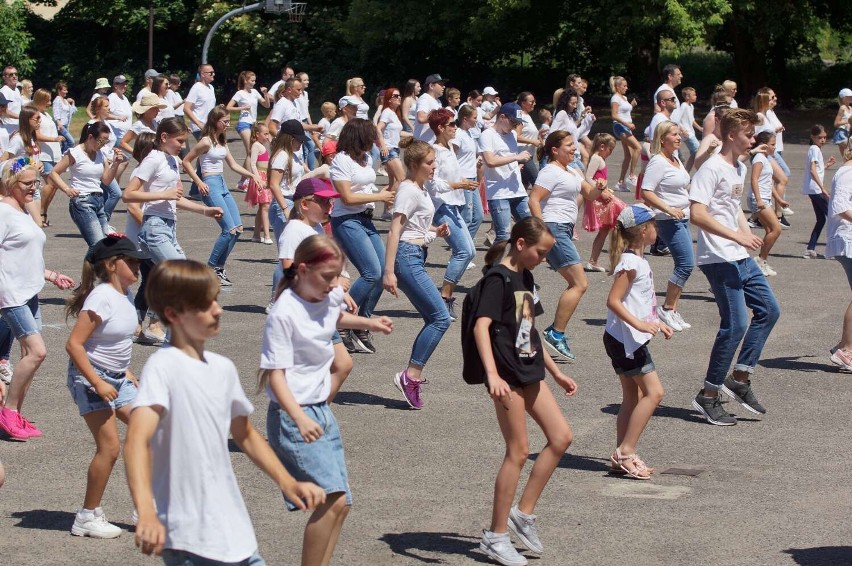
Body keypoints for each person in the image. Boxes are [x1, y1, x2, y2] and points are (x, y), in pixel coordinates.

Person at [125, 259, 326, 563]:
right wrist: (147, 512)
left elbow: (245, 434)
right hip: (188, 538)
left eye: (216, 300)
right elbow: (137, 442)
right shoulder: (163, 367)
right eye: (205, 305)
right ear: (172, 314)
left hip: (235, 532)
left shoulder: (223, 369)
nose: (217, 310)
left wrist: (288, 481)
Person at [261, 236, 391, 565]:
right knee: (330, 500)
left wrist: (369, 323)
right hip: (293, 416)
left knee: (342, 502)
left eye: (337, 277)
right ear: (302, 270)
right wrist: (300, 418)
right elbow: (275, 376)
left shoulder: (328, 295)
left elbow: (333, 320)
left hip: (319, 410)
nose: (335, 285)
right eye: (327, 277)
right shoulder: (283, 313)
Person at [473, 217, 576, 566]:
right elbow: (481, 327)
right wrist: (492, 376)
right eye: (541, 252)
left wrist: (557, 372)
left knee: (561, 437)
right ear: (521, 244)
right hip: (506, 376)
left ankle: (523, 513)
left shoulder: (525, 277)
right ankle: (495, 536)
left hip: (530, 371)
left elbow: (529, 331)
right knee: (518, 451)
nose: (544, 258)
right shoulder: (498, 280)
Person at [689, 108, 781, 426]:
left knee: (769, 310)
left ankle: (739, 378)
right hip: (718, 258)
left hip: (739, 255)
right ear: (731, 135)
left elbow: (732, 207)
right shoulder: (711, 168)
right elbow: (697, 214)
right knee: (736, 325)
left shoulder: (738, 167)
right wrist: (735, 235)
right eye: (748, 134)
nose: (753, 139)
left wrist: (745, 234)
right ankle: (708, 395)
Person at [65, 235, 146, 539]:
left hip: (116, 377)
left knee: (149, 430)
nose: (138, 266)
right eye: (132, 260)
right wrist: (98, 382)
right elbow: (74, 345)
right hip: (89, 378)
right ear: (112, 265)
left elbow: (111, 340)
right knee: (110, 448)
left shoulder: (123, 292)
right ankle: (87, 516)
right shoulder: (101, 297)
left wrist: (124, 369)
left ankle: (143, 509)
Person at [0, 157, 76, 441]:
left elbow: (24, 256)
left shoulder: (21, 211)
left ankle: (14, 412)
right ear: (10, 183)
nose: (35, 187)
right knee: (37, 352)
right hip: (11, 295)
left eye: (36, 182)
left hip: (30, 292)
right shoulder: (3, 213)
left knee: (26, 355)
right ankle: (7, 412)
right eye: (28, 183)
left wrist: (51, 275)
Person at [383, 138, 452, 408]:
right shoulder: (408, 190)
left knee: (435, 317)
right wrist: (388, 271)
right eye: (429, 162)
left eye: (434, 161)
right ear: (414, 164)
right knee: (441, 318)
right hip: (407, 258)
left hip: (417, 254)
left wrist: (434, 230)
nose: (434, 166)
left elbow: (414, 225)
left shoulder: (420, 190)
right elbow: (395, 230)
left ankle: (411, 376)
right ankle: (410, 376)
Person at [604, 204, 671, 479]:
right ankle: (626, 452)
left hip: (625, 338)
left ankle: (622, 453)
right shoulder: (631, 262)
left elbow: (639, 302)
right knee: (655, 393)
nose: (657, 230)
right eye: (654, 225)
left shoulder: (637, 261)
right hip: (625, 340)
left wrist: (656, 322)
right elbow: (613, 301)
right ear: (644, 231)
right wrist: (641, 325)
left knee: (633, 395)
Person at [529, 131, 604, 361]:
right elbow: (534, 199)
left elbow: (589, 194)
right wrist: (543, 232)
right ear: (554, 150)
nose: (574, 149)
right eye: (569, 145)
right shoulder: (550, 171)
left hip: (563, 230)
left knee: (577, 283)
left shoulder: (570, 170)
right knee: (579, 283)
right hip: (554, 228)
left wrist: (599, 188)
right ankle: (555, 332)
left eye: (574, 145)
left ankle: (538, 317)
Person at [278, 179, 354, 399]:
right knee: (336, 366)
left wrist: (341, 291)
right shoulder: (294, 231)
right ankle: (309, 414)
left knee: (341, 365)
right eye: (323, 201)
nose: (329, 206)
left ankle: (313, 412)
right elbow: (289, 271)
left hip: (319, 310)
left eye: (330, 202)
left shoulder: (315, 228)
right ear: (304, 205)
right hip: (305, 313)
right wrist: (332, 283)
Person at [330, 118, 395, 354]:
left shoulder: (367, 158)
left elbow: (367, 189)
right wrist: (380, 198)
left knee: (382, 274)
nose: (373, 142)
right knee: (371, 273)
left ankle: (361, 324)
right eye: (370, 137)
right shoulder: (341, 160)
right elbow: (346, 197)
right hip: (346, 220)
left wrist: (383, 192)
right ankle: (342, 320)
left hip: (366, 218)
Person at [122, 118, 224, 264]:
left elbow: (175, 198)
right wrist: (164, 194)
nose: (183, 146)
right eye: (180, 141)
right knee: (180, 275)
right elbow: (127, 194)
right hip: (154, 227)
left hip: (170, 227)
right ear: (164, 137)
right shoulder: (153, 159)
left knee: (177, 278)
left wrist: (205, 210)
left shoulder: (172, 160)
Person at [182, 106, 262, 286]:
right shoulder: (205, 141)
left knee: (238, 229)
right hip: (210, 185)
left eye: (228, 121)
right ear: (214, 121)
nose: (228, 124)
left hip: (222, 184)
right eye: (224, 121)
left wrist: (252, 175)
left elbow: (233, 165)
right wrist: (199, 181)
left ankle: (219, 267)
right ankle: (210, 269)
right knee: (228, 230)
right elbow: (186, 161)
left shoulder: (222, 141)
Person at [639, 121, 695, 330]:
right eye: (674, 134)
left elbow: (682, 186)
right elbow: (646, 191)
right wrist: (669, 209)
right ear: (662, 139)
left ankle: (671, 309)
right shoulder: (658, 162)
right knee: (686, 264)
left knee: (685, 264)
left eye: (679, 134)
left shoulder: (676, 159)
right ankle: (667, 309)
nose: (679, 137)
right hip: (668, 220)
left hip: (682, 218)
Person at [426, 108, 478, 318]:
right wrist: (458, 185)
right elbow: (432, 183)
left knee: (470, 252)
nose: (455, 128)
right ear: (440, 128)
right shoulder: (433, 151)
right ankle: (444, 298)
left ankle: (444, 297)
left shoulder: (448, 147)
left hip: (453, 205)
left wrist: (463, 183)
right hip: (442, 206)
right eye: (451, 125)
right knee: (464, 251)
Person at [48, 122, 126, 247]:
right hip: (82, 201)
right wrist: (67, 189)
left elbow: (106, 180)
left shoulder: (101, 154)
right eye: (101, 141)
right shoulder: (75, 153)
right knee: (98, 244)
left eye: (106, 142)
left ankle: (94, 266)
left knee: (105, 243)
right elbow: (54, 172)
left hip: (99, 201)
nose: (103, 145)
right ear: (90, 137)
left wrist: (116, 164)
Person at [481, 102, 532, 243]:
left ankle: (517, 262)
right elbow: (490, 161)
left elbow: (508, 158)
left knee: (530, 229)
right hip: (499, 193)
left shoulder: (512, 135)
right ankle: (494, 265)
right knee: (503, 235)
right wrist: (516, 157)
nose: (514, 126)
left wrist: (516, 164)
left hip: (518, 190)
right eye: (513, 122)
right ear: (502, 117)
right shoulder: (487, 135)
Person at [826, 143, 852, 370]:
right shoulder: (848, 173)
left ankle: (843, 346)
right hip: (847, 239)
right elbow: (840, 206)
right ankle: (847, 351)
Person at [583, 133, 625, 272]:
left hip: (603, 195)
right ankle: (615, 258)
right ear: (602, 147)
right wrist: (602, 190)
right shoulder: (596, 158)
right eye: (610, 149)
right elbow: (588, 177)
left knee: (606, 229)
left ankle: (594, 260)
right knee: (623, 217)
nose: (611, 153)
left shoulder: (599, 158)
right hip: (600, 198)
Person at [747, 131, 787, 276]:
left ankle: (762, 262)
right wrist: (758, 200)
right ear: (764, 145)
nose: (774, 148)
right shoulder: (759, 158)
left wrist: (779, 200)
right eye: (772, 145)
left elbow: (769, 182)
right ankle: (760, 260)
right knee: (776, 229)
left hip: (765, 198)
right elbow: (754, 180)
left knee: (771, 230)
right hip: (759, 199)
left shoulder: (765, 158)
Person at [802, 124, 838, 259]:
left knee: (821, 219)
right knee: (833, 217)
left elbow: (816, 169)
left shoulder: (814, 149)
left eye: (824, 137)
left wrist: (826, 165)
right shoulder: (814, 149)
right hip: (816, 189)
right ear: (813, 137)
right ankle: (832, 249)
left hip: (813, 189)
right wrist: (822, 188)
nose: (823, 140)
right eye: (820, 137)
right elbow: (812, 170)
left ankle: (810, 248)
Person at [227, 71, 271, 167]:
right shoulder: (240, 93)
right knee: (251, 151)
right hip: (244, 123)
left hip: (253, 124)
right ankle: (248, 177)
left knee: (254, 151)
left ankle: (245, 175)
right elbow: (228, 107)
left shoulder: (255, 92)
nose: (254, 83)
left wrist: (265, 94)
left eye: (255, 81)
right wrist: (242, 108)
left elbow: (267, 105)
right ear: (245, 81)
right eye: (252, 81)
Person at [455, 104, 484, 243]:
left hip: (472, 177)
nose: (476, 121)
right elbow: (452, 157)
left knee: (478, 216)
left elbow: (468, 155)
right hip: (464, 179)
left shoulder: (470, 134)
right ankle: (461, 251)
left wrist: (475, 162)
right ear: (465, 119)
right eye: (474, 118)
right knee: (466, 217)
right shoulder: (458, 135)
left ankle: (466, 248)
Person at [609, 76, 640, 191]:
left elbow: (624, 112)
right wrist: (627, 125)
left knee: (628, 155)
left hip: (625, 127)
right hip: (620, 127)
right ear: (617, 86)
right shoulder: (615, 98)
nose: (626, 88)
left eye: (626, 85)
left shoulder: (624, 98)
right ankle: (632, 176)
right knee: (638, 148)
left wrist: (631, 105)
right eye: (624, 86)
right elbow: (614, 115)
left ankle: (621, 182)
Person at [377, 86, 407, 198]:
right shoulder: (387, 112)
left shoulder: (394, 114)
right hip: (389, 150)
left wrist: (414, 134)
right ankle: (389, 206)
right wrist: (383, 145)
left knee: (393, 181)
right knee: (401, 179)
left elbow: (399, 132)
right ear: (389, 99)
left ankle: (386, 210)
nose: (399, 97)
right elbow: (378, 128)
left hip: (394, 149)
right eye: (396, 96)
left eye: (399, 95)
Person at [246, 122, 273, 244]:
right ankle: (266, 235)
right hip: (260, 178)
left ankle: (256, 235)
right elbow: (252, 164)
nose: (267, 136)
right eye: (265, 134)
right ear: (257, 134)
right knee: (265, 205)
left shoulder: (262, 145)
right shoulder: (256, 145)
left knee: (263, 206)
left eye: (268, 134)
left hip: (265, 176)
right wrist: (258, 179)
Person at [183, 64, 216, 141]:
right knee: (207, 150)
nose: (213, 74)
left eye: (213, 72)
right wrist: (199, 124)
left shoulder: (211, 88)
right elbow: (186, 108)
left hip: (210, 126)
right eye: (211, 72)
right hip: (200, 128)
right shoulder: (196, 88)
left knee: (211, 151)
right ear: (202, 74)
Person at [414, 74, 447, 142]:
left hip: (431, 143)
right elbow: (421, 118)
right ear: (431, 86)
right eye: (440, 84)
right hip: (422, 144)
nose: (444, 86)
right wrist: (438, 115)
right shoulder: (425, 98)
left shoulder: (438, 101)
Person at [677, 87, 701, 171]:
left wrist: (700, 128)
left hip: (691, 133)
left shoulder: (691, 106)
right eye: (693, 95)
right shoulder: (683, 106)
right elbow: (677, 119)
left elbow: (692, 120)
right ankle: (701, 172)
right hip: (687, 134)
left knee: (694, 154)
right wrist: (683, 130)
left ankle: (686, 172)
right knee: (699, 151)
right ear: (687, 97)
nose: (696, 96)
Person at [53, 81, 77, 152]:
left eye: (66, 90)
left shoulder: (65, 101)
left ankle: (61, 157)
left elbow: (73, 112)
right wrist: (59, 123)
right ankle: (63, 155)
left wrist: (73, 103)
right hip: (61, 125)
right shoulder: (57, 100)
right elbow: (56, 112)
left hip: (66, 125)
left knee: (65, 143)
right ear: (59, 90)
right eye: (64, 90)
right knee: (71, 142)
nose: (66, 91)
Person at [0, 66, 22, 136]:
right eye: (11, 75)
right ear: (4, 77)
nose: (14, 76)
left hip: (18, 126)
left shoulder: (17, 90)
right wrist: (21, 116)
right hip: (7, 129)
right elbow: (4, 111)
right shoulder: (3, 91)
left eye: (16, 74)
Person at [833, 88, 852, 158]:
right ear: (844, 98)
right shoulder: (842, 108)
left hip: (848, 133)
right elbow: (836, 123)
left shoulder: (850, 108)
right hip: (841, 133)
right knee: (849, 152)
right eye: (850, 96)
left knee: (846, 157)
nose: (851, 98)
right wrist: (848, 121)